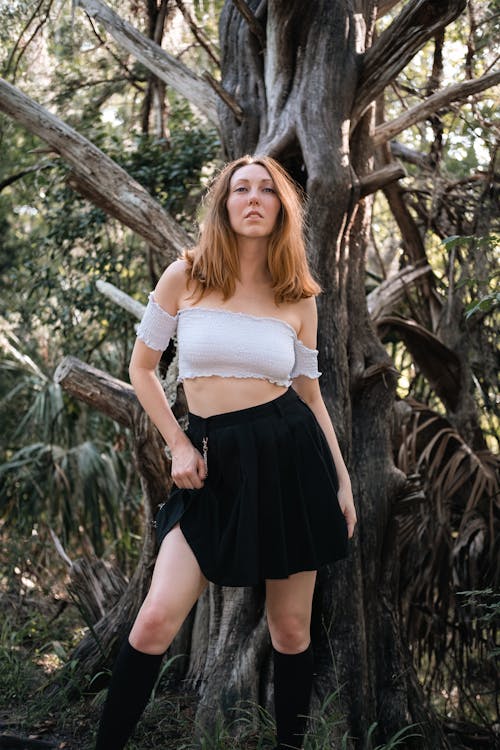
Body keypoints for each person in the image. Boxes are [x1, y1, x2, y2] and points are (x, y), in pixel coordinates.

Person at [94, 154, 357, 750]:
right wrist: (178, 445)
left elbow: (310, 396)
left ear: (282, 209)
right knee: (156, 619)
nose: (254, 198)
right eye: (241, 188)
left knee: (290, 630)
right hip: (209, 465)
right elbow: (141, 369)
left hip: (291, 461)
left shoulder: (299, 296)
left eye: (268, 190)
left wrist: (343, 482)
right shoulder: (184, 276)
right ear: (225, 204)